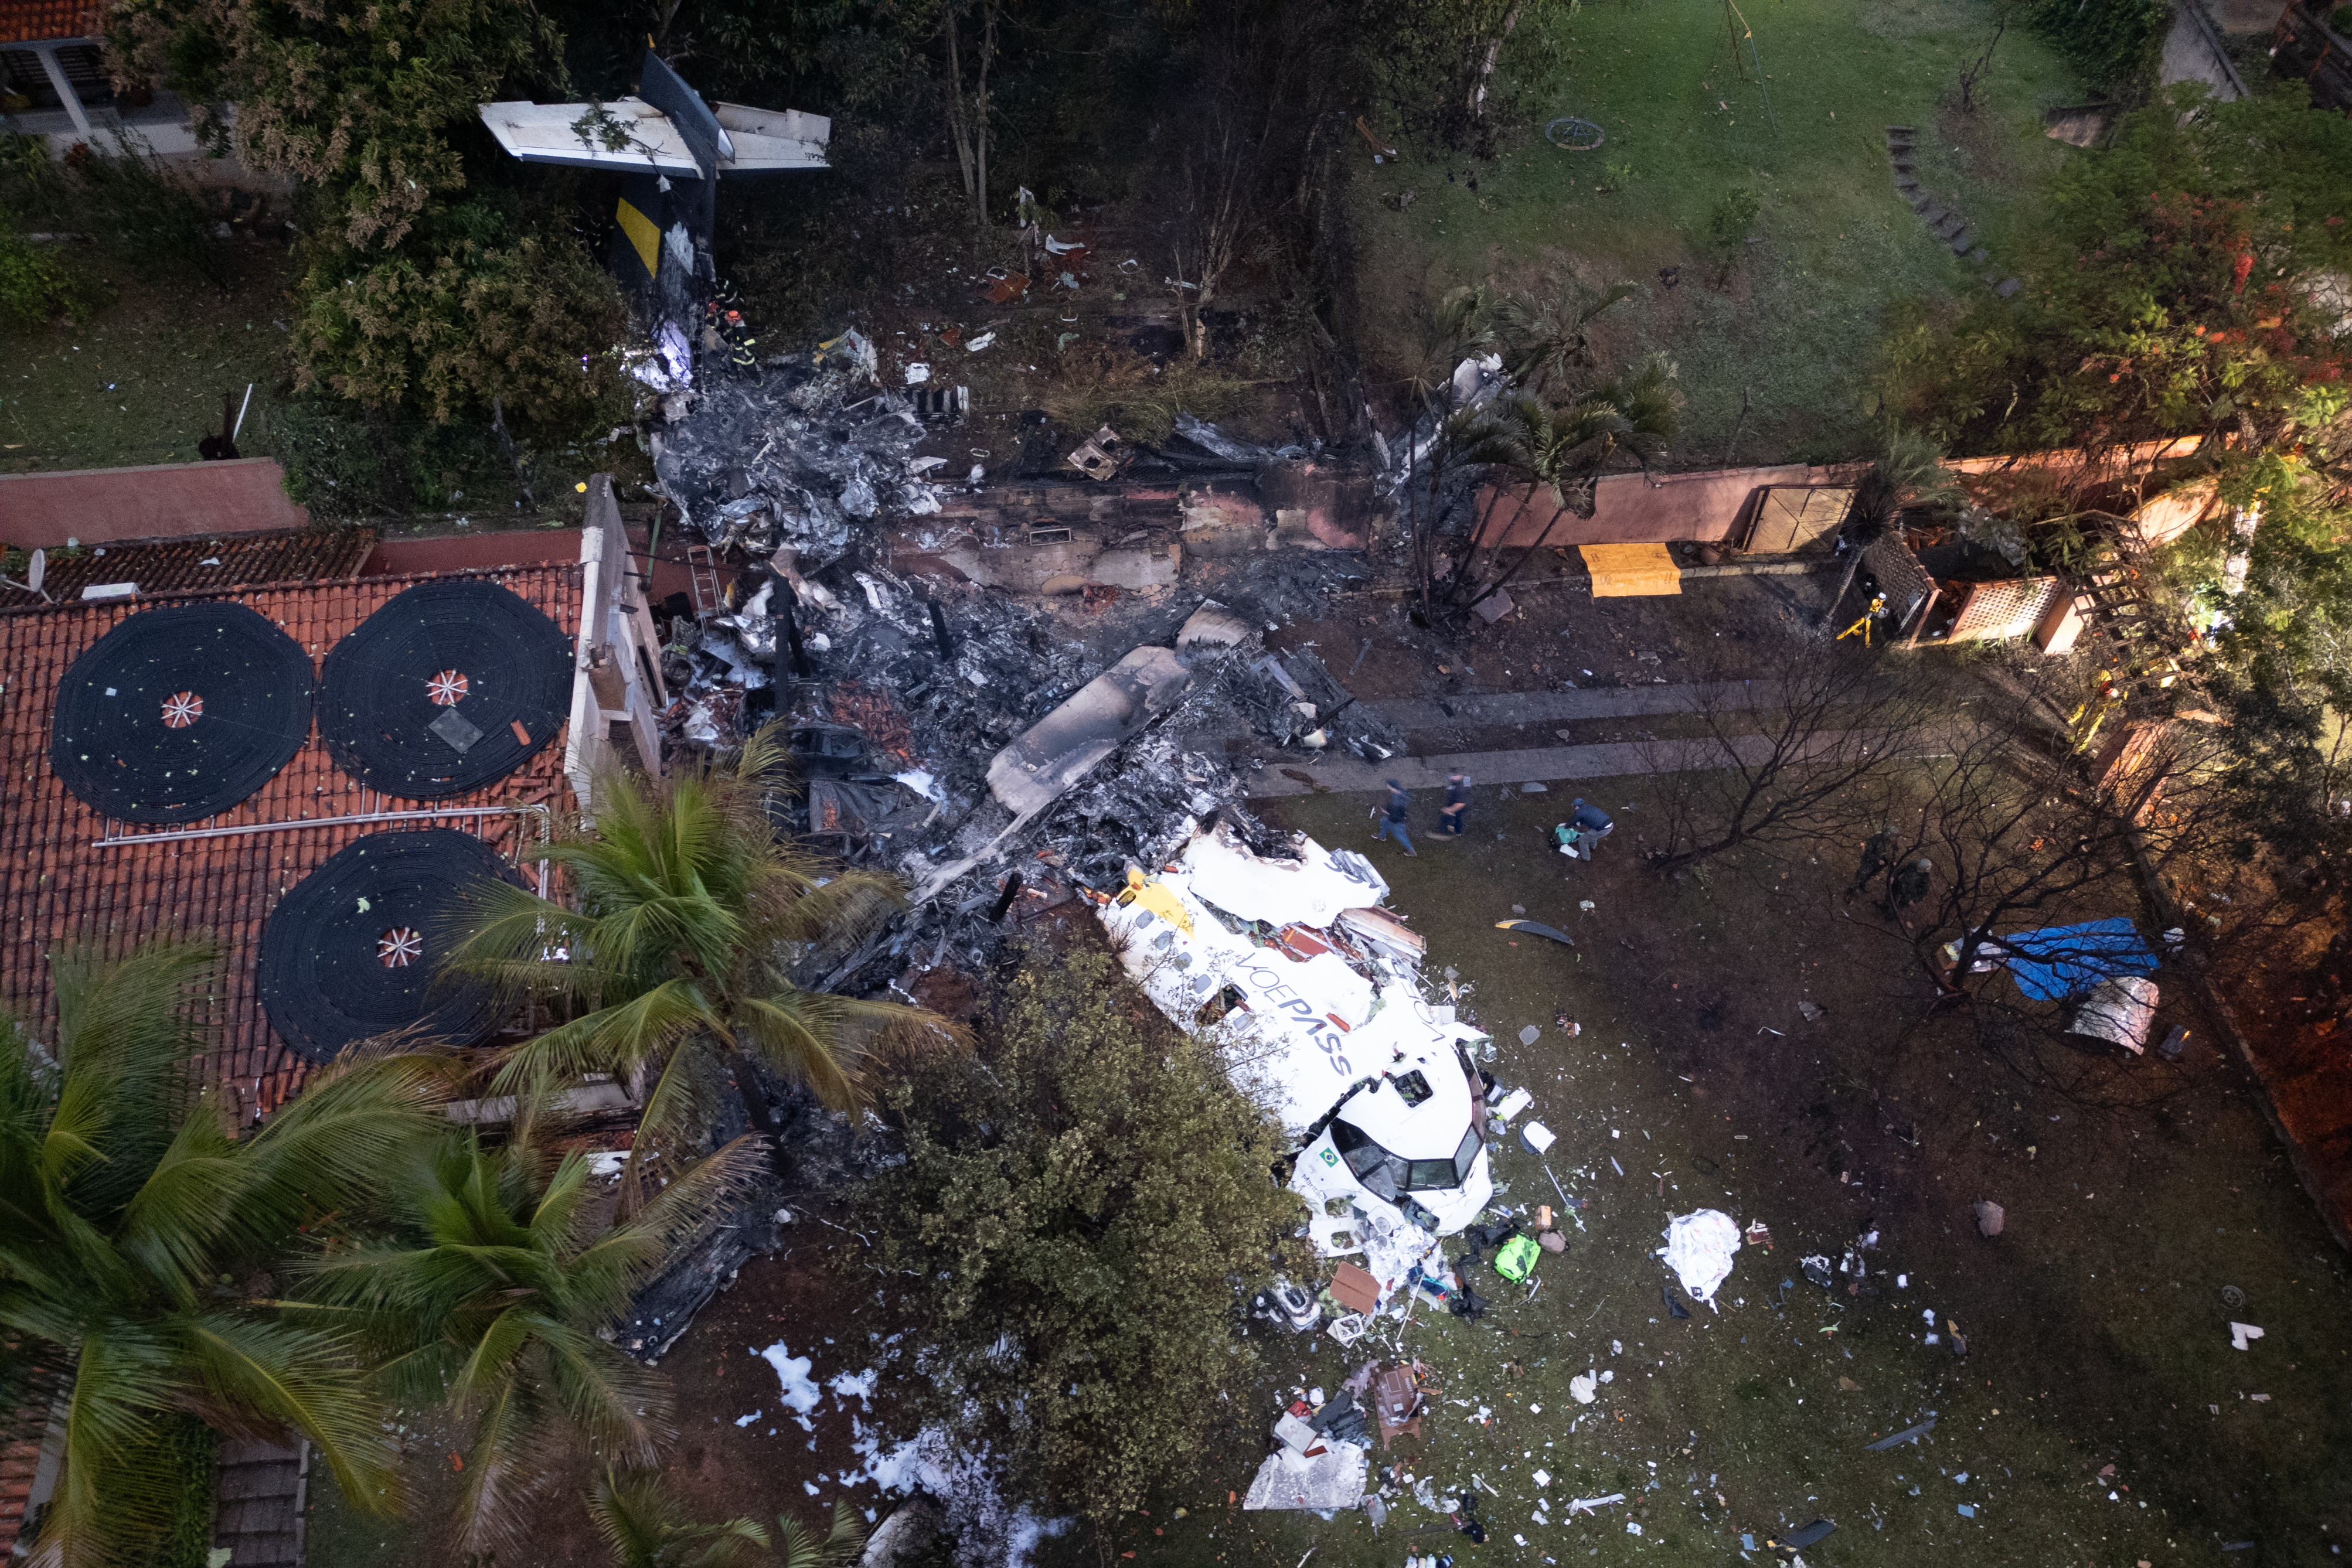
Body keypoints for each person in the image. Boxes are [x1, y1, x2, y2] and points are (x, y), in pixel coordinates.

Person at [1374, 779, 1417, 855]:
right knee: (1384, 820)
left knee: (1399, 835)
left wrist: (1387, 812)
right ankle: (1382, 836)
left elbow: (1397, 809)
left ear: (1393, 787)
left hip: (1398, 819)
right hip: (1394, 816)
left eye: (1389, 786)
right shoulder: (1396, 793)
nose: (1388, 787)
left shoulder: (1399, 796)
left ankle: (1412, 851)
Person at [1564, 797, 1614, 861]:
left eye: (1575, 807)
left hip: (1603, 829)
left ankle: (1586, 858)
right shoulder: (1589, 807)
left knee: (1583, 840)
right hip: (1609, 823)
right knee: (1592, 834)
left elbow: (1573, 820)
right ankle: (1593, 847)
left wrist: (1566, 826)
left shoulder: (1580, 813)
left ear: (1577, 807)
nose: (1575, 808)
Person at [1851, 828, 1895, 897]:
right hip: (1868, 862)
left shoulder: (1891, 843)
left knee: (1869, 876)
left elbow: (1892, 855)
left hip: (1878, 866)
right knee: (1860, 876)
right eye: (1892, 835)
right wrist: (1878, 860)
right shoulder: (1876, 839)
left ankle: (1862, 885)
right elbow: (1868, 853)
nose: (1893, 838)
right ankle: (1850, 892)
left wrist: (1892, 863)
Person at [1438, 768, 1470, 837]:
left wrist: (1450, 810)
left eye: (1454, 776)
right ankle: (1457, 831)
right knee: (1458, 818)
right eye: (1451, 776)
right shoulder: (1460, 783)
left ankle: (1449, 833)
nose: (1452, 777)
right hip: (1457, 803)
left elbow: (1461, 803)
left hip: (1459, 806)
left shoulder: (1460, 789)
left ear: (1460, 776)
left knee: (1458, 818)